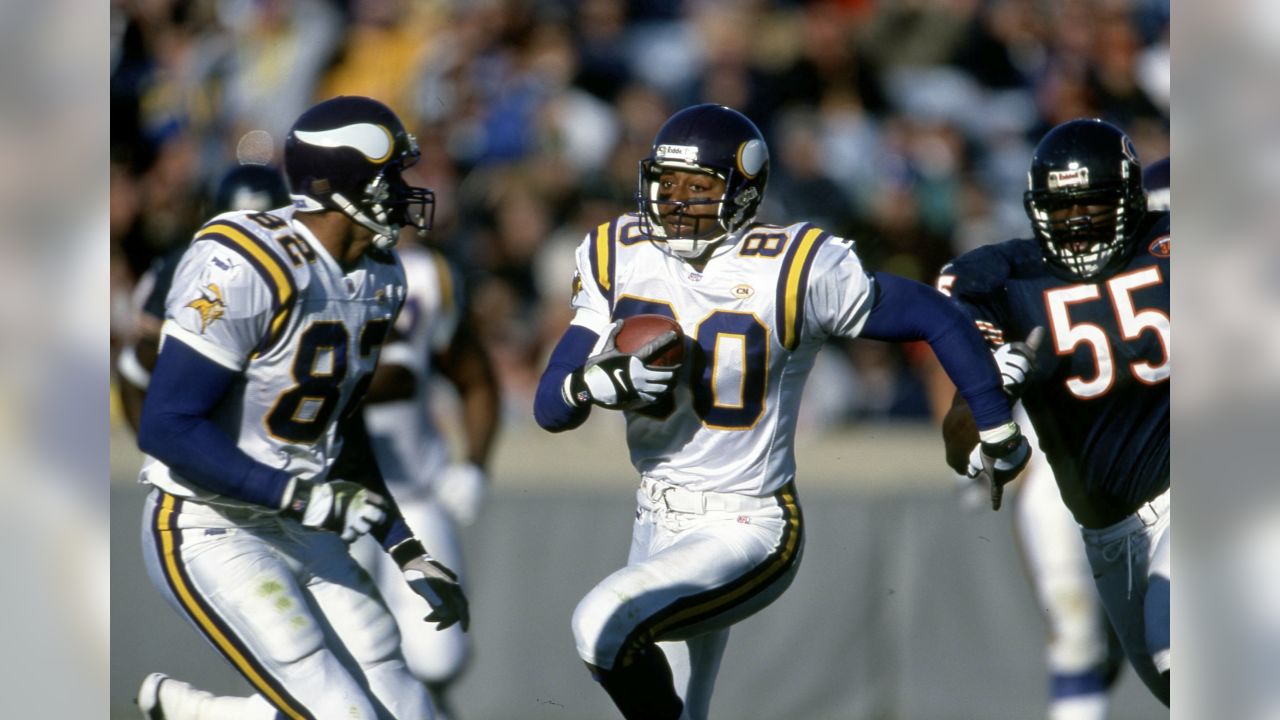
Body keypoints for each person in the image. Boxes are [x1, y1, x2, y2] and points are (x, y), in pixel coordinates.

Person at [532, 103, 1032, 720]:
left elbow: (935, 314)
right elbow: (550, 409)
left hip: (748, 525)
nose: (676, 200)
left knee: (600, 622)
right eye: (666, 182)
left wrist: (996, 423)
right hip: (654, 517)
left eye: (700, 185)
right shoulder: (620, 250)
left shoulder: (792, 265)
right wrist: (593, 387)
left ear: (742, 191)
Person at [134, 95, 469, 720]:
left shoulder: (381, 275)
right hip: (212, 523)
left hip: (302, 519)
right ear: (339, 183)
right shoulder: (246, 262)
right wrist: (300, 498)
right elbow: (166, 425)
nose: (402, 191)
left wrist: (405, 547)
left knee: (409, 707)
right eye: (388, 176)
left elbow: (341, 431)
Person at [938, 118, 1170, 706]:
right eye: (1063, 209)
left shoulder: (1170, 244)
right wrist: (993, 392)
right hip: (1107, 527)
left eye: (1093, 204)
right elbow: (960, 450)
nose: (1080, 222)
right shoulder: (1005, 279)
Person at [352, 237, 501, 720]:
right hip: (329, 502)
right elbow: (390, 378)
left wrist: (474, 464)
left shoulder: (424, 273)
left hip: (413, 491)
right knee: (333, 654)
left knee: (439, 655)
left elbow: (474, 376)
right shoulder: (291, 265)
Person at [116, 160, 292, 432]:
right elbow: (136, 364)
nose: (253, 246)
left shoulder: (310, 274)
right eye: (240, 230)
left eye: (262, 230)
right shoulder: (182, 269)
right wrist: (159, 446)